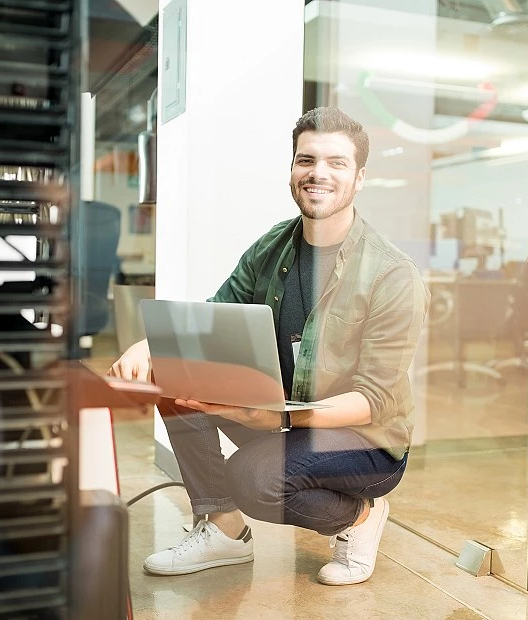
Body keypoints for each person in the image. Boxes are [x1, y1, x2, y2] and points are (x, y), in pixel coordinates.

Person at [109, 107, 428, 585]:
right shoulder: (273, 247)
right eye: (307, 160)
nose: (318, 172)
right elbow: (210, 322)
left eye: (336, 163)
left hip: (366, 441)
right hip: (284, 417)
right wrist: (148, 346)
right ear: (293, 168)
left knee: (255, 478)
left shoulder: (391, 273)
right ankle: (224, 531)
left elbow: (373, 400)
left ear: (359, 178)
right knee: (174, 376)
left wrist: (277, 418)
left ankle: (360, 517)